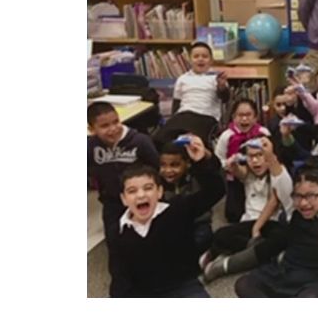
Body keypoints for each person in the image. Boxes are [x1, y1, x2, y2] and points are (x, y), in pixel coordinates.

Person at [107, 137, 225, 297]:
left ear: (159, 192)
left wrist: (201, 162)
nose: (141, 195)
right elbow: (119, 276)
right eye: (132, 191)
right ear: (124, 199)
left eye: (148, 188)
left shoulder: (177, 210)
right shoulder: (118, 231)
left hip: (181, 285)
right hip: (143, 293)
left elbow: (215, 191)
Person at [234, 166, 318, 298]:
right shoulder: (293, 207)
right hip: (288, 271)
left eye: (310, 196)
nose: (304, 203)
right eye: (298, 196)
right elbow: (280, 177)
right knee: (244, 284)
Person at [201, 137, 293, 282]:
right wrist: (233, 164)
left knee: (279, 239)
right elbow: (235, 170)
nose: (255, 161)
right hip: (248, 223)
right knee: (221, 234)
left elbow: (274, 201)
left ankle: (226, 264)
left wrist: (257, 228)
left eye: (260, 155)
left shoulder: (277, 173)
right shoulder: (248, 174)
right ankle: (253, 254)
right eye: (251, 156)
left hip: (270, 224)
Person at [88, 101, 160, 255]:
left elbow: (156, 169)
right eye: (104, 126)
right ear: (92, 129)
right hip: (112, 201)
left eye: (116, 122)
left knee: (149, 240)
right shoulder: (90, 146)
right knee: (114, 243)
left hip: (142, 199)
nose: (113, 129)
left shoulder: (140, 141)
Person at [151, 42, 230, 148]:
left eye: (205, 56)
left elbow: (225, 99)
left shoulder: (216, 78)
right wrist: (173, 120)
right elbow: (176, 104)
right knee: (159, 138)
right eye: (196, 56)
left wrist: (222, 87)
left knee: (192, 141)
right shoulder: (183, 79)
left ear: (211, 60)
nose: (200, 59)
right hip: (184, 114)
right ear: (190, 60)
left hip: (206, 116)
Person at [213, 98, 272, 223]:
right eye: (240, 115)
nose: (244, 119)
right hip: (235, 177)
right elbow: (218, 159)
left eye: (248, 115)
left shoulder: (263, 132)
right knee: (233, 213)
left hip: (259, 177)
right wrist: (229, 164)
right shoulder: (226, 135)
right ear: (233, 117)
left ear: (255, 117)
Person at [157, 141, 217, 251]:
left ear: (187, 163)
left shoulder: (197, 177)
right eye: (163, 165)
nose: (168, 170)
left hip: (197, 224)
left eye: (175, 165)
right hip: (171, 226)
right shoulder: (157, 184)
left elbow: (216, 188)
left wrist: (201, 159)